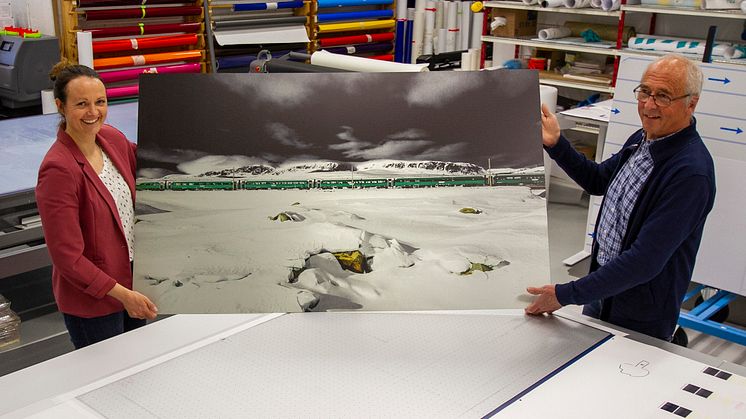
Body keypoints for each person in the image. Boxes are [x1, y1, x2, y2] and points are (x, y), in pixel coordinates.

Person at [525, 54, 716, 342]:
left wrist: (565, 295)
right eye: (645, 92)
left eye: (663, 96)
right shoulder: (644, 139)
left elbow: (644, 261)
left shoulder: (690, 174)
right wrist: (556, 143)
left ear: (692, 102)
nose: (649, 105)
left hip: (641, 313)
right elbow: (598, 180)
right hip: (603, 290)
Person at [36, 62, 158, 349]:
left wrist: (160, 103)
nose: (93, 113)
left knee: (135, 368)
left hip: (131, 283)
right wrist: (122, 295)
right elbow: (68, 258)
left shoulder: (112, 139)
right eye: (81, 104)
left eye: (100, 102)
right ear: (60, 106)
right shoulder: (58, 169)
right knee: (107, 383)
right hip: (93, 303)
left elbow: (154, 162)